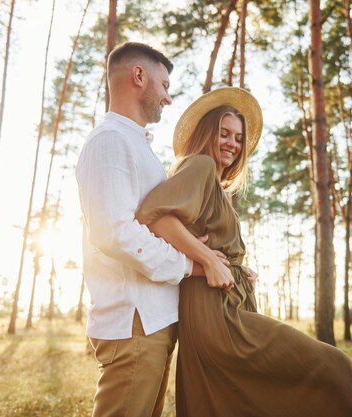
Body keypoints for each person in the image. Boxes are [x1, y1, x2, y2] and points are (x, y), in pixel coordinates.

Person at [135, 87, 352, 417]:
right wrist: (205, 260)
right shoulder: (201, 166)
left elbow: (199, 235)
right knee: (331, 364)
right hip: (213, 314)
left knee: (240, 400)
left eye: (238, 138)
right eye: (224, 134)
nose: (232, 144)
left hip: (227, 302)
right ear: (207, 133)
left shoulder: (217, 186)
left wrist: (236, 268)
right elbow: (154, 216)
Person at [75, 42, 235, 417]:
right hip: (134, 321)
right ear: (139, 76)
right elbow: (116, 233)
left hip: (153, 320)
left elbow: (155, 224)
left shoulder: (136, 146)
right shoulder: (110, 141)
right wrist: (190, 264)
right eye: (163, 85)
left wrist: (199, 247)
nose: (167, 97)